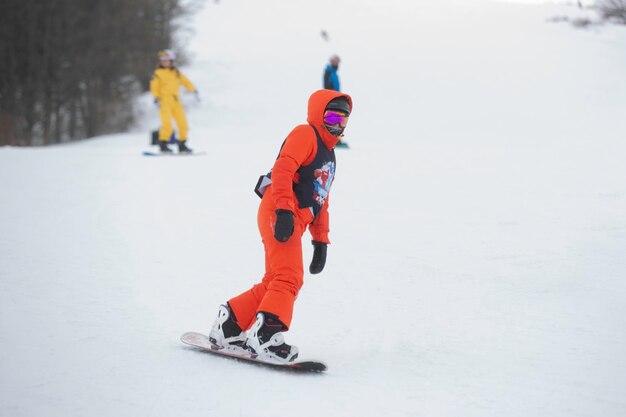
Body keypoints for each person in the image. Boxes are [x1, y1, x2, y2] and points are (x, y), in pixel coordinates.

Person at [208, 89, 353, 364]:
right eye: (332, 116)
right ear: (318, 114)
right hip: (279, 209)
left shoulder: (330, 156)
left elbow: (321, 198)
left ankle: (230, 324)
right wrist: (285, 210)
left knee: (275, 280)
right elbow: (284, 168)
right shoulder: (305, 134)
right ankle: (265, 337)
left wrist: (320, 240)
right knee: (289, 277)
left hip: (293, 217)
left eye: (342, 120)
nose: (337, 124)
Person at [150, 49, 198, 153]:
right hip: (164, 101)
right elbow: (154, 86)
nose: (165, 62)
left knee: (183, 124)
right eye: (162, 60)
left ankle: (182, 144)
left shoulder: (176, 73)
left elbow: (185, 81)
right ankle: (163, 145)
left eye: (167, 60)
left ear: (171, 61)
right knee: (167, 124)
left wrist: (193, 89)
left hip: (176, 101)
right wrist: (155, 97)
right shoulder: (158, 73)